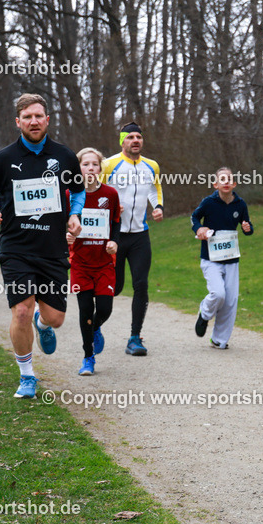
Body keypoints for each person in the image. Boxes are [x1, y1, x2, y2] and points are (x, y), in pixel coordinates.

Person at [0, 93, 84, 399]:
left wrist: (75, 214)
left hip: (52, 248)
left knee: (55, 319)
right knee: (21, 310)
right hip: (16, 247)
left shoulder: (64, 156)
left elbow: (78, 191)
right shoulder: (3, 159)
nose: (33, 121)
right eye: (27, 117)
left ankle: (42, 325)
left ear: (47, 120)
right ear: (17, 122)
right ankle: (27, 375)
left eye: (38, 116)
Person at [101, 122, 164, 356]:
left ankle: (135, 337)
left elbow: (154, 189)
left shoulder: (152, 165)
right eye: (130, 137)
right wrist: (109, 208)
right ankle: (94, 326)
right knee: (115, 288)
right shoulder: (108, 164)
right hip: (114, 236)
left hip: (140, 235)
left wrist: (158, 206)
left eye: (139, 137)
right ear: (122, 141)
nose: (135, 140)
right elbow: (96, 192)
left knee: (141, 284)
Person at [66, 148, 121, 376]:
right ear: (78, 168)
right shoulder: (69, 194)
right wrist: (66, 236)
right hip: (80, 263)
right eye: (85, 164)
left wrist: (114, 242)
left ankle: (96, 327)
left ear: (100, 168)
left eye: (95, 164)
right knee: (85, 310)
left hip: (104, 263)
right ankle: (88, 358)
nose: (90, 168)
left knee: (105, 309)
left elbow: (116, 222)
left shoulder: (110, 194)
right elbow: (61, 223)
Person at [191, 167, 254, 349]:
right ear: (216, 184)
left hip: (231, 259)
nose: (226, 182)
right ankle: (205, 313)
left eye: (229, 179)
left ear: (234, 184)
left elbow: (247, 226)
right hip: (210, 258)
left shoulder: (240, 204)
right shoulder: (208, 203)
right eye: (222, 179)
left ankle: (219, 339)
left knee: (230, 301)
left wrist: (247, 228)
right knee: (218, 294)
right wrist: (199, 229)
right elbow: (194, 218)